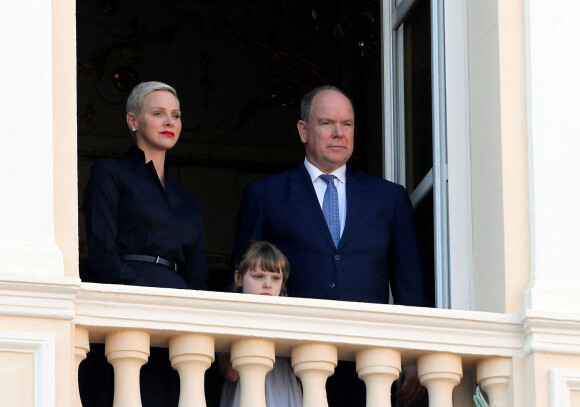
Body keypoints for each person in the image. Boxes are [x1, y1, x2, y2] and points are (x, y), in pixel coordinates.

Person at [232, 86, 428, 406]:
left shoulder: (389, 198)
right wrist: (235, 345)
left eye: (347, 124)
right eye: (326, 123)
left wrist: (414, 356)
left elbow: (409, 284)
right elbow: (242, 274)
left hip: (369, 363)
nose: (339, 133)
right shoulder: (266, 194)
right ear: (303, 130)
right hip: (291, 359)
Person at [80, 81, 209, 407]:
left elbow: (199, 277)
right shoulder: (110, 172)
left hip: (178, 327)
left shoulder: (190, 201)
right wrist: (146, 298)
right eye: (158, 113)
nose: (169, 122)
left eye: (176, 115)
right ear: (133, 121)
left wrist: (184, 312)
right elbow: (102, 253)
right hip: (126, 314)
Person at [219, 240, 303, 407]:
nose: (268, 284)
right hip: (245, 393)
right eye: (258, 276)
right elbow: (232, 373)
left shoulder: (291, 319)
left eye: (275, 278)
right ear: (239, 277)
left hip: (282, 389)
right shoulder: (231, 317)